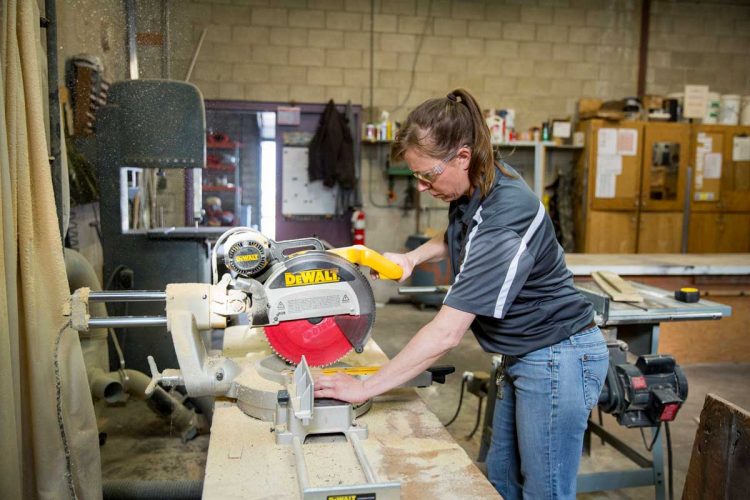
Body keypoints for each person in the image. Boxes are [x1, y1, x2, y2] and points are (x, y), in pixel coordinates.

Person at [314, 88, 609, 499]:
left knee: (545, 492)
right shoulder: (477, 185)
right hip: (524, 353)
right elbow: (459, 232)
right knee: (503, 478)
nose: (421, 187)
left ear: (462, 157)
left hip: (558, 354)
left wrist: (365, 387)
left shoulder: (508, 215)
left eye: (426, 175)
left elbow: (446, 334)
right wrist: (413, 258)